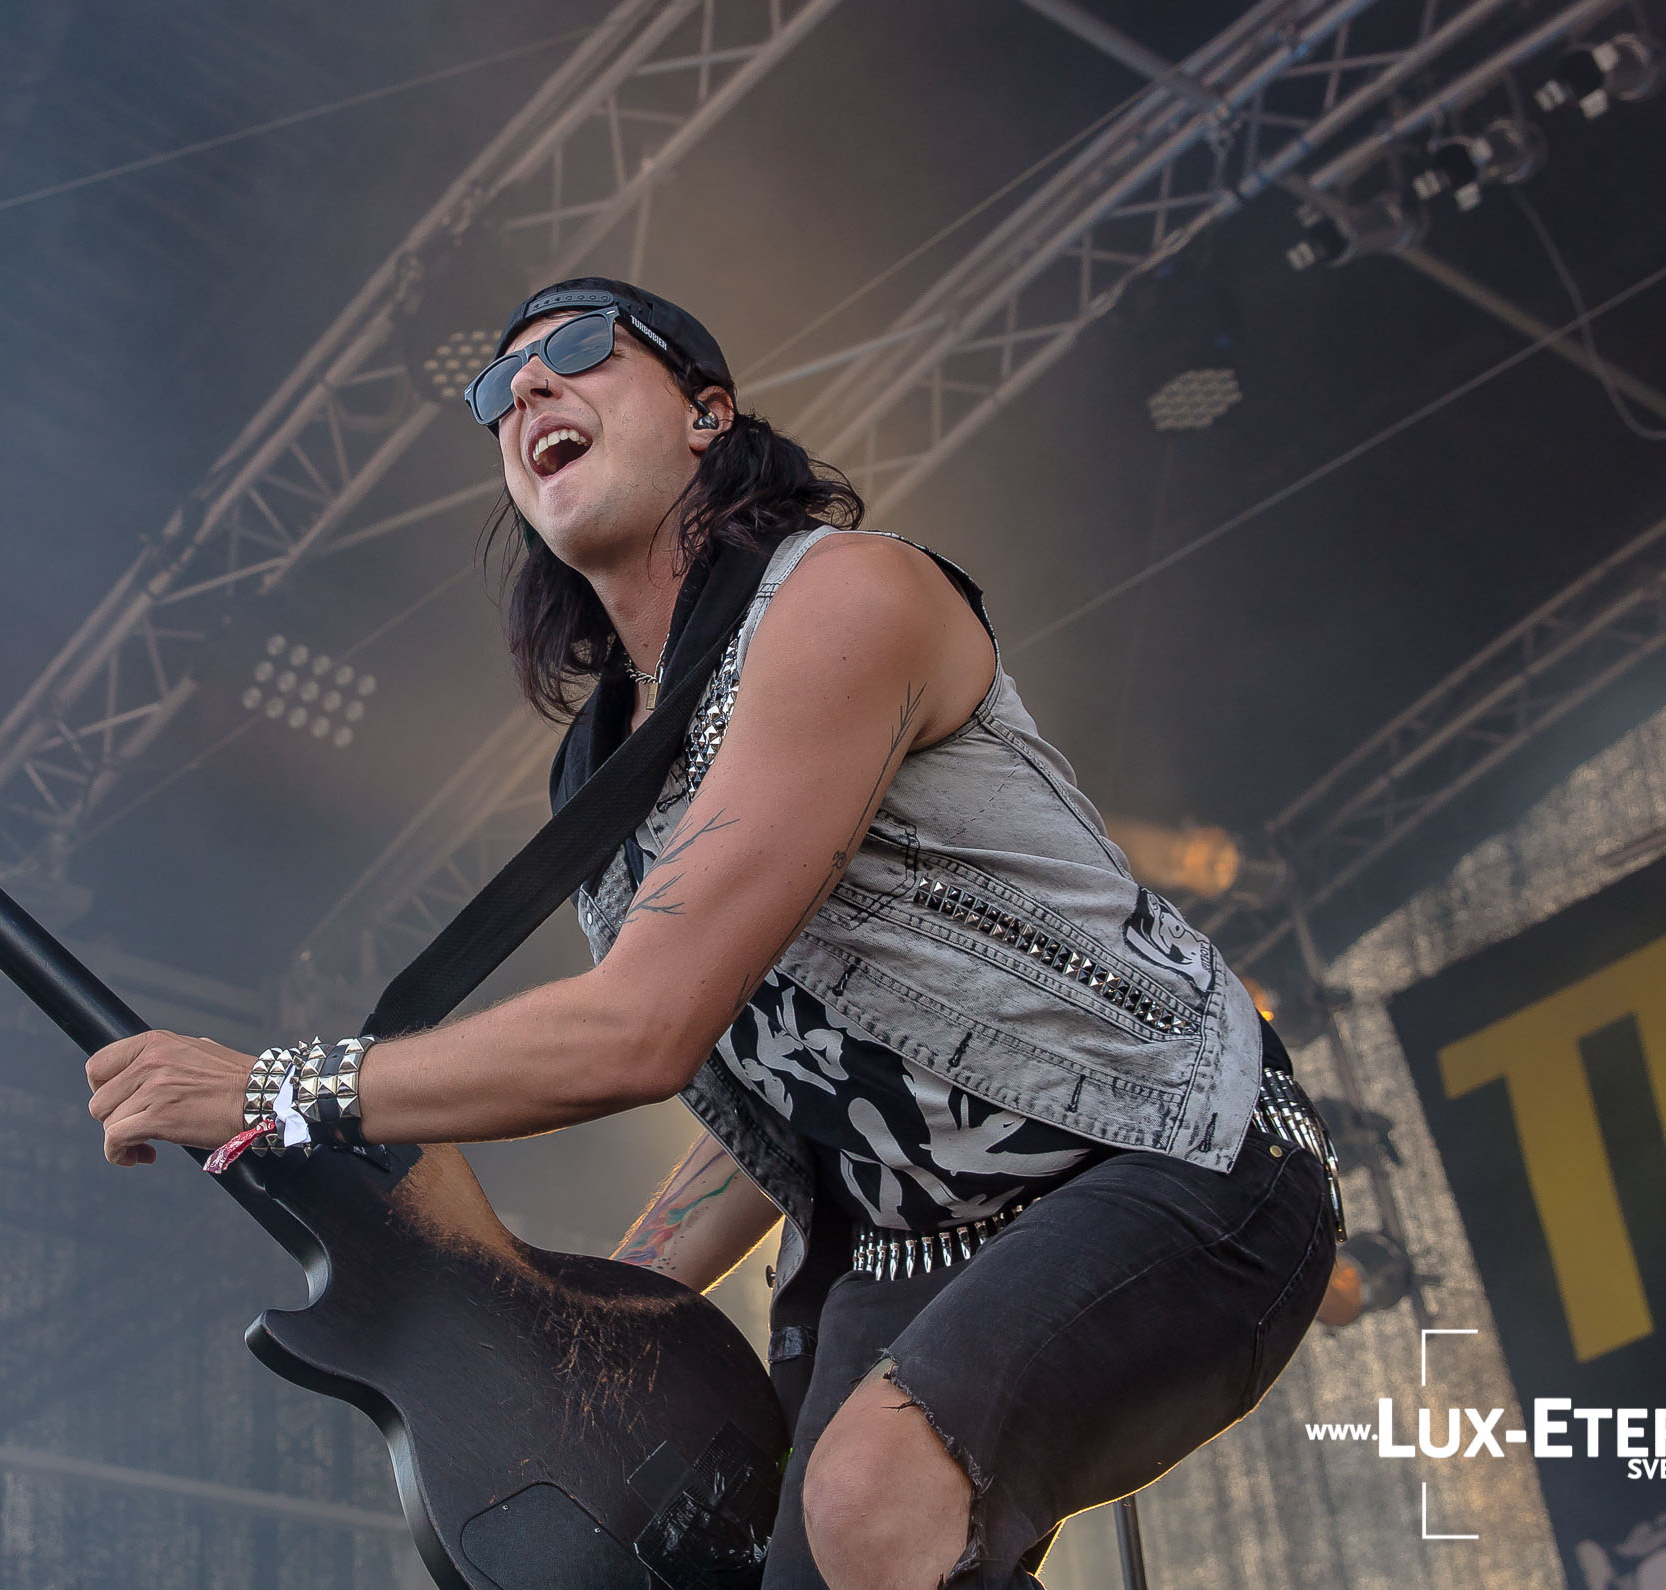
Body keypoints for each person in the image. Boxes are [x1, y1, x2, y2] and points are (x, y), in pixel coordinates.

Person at [84, 276, 1341, 1589]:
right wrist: (590, 1318)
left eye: (579, 351)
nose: (527, 389)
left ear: (707, 413)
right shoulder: (601, 778)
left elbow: (640, 1030)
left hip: (1176, 1152)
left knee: (867, 1495)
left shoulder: (849, 598)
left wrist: (272, 1090)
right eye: (497, 391)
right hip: (912, 1246)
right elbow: (796, 1071)